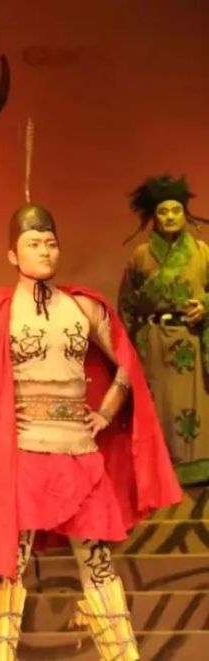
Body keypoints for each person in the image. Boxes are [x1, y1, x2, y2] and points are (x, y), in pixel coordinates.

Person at [0, 198, 182, 660]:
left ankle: (124, 656)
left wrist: (105, 412)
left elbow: (127, 365)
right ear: (12, 254)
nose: (45, 250)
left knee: (97, 561)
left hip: (79, 452)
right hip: (23, 452)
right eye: (34, 243)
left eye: (51, 243)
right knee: (8, 563)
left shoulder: (85, 307)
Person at [118, 175, 209, 486]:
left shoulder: (202, 252)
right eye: (163, 211)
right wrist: (131, 349)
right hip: (154, 343)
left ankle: (195, 473)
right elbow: (126, 305)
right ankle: (159, 473)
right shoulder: (141, 256)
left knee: (191, 407)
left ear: (185, 213)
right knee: (158, 407)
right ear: (154, 217)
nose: (170, 216)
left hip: (189, 342)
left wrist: (205, 306)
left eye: (176, 210)